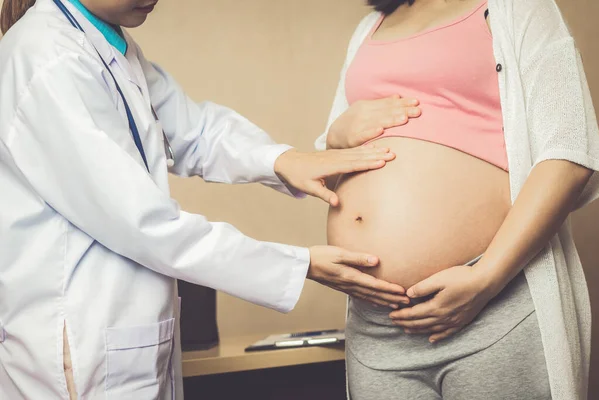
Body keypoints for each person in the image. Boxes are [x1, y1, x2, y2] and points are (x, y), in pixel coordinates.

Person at [0, 0, 417, 398]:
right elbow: (145, 225)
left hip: (123, 333)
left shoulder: (103, 43)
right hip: (80, 337)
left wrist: (285, 160)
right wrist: (298, 265)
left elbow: (194, 130)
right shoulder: (47, 58)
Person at [316, 0, 599, 399]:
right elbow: (323, 171)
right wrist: (333, 138)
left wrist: (485, 279)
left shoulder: (517, 7)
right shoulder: (369, 28)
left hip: (491, 304)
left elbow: (568, 152)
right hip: (377, 324)